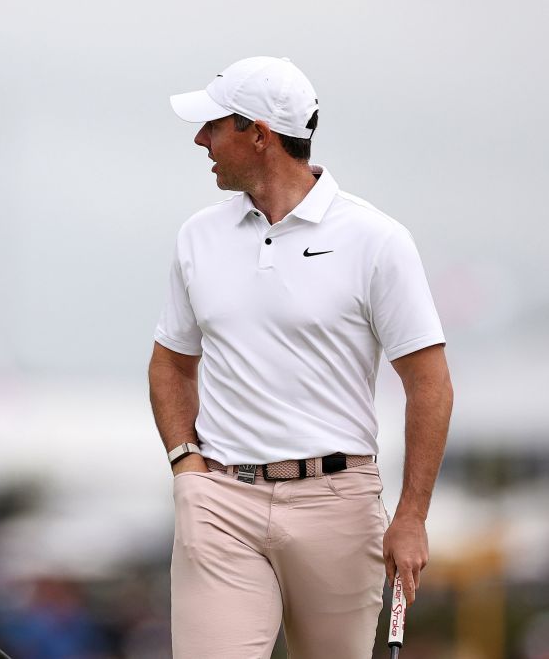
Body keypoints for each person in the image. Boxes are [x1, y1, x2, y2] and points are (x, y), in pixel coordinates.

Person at [148, 56, 453, 658]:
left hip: (338, 503)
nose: (199, 139)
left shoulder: (376, 239)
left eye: (214, 125)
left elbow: (429, 384)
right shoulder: (197, 237)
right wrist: (186, 466)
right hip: (221, 501)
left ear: (259, 134)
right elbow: (171, 364)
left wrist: (412, 515)